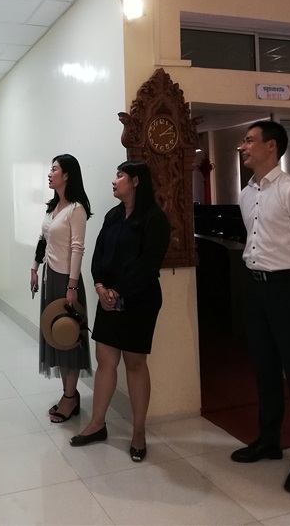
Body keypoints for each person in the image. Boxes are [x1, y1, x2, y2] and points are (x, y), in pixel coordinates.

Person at [70, 161, 170, 460]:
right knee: (105, 361)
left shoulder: (154, 218)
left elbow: (149, 264)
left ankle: (138, 432)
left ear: (136, 181)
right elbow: (99, 254)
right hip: (108, 298)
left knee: (135, 363)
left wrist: (118, 291)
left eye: (120, 176)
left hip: (139, 299)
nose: (114, 181)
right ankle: (97, 424)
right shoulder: (113, 216)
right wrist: (100, 286)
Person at [232, 120, 290, 493]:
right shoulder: (247, 193)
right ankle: (269, 440)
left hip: (288, 288)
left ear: (271, 147)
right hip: (255, 288)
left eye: (249, 141)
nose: (243, 147)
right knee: (264, 368)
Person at [30, 154, 92, 423]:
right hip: (49, 278)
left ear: (66, 175)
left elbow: (77, 248)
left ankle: (69, 397)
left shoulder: (76, 209)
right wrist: (34, 268)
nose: (49, 173)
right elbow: (42, 240)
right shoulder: (53, 207)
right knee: (56, 335)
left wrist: (72, 286)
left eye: (54, 169)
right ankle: (69, 395)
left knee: (69, 336)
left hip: (67, 281)